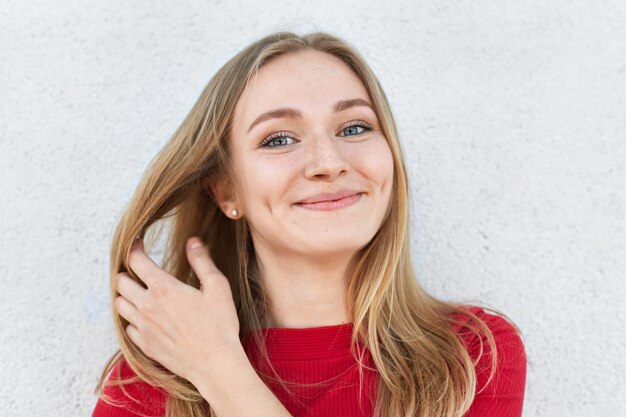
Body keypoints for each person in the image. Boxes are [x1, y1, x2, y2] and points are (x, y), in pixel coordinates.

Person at [91, 31, 527, 417]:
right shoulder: (152, 380)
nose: (329, 163)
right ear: (228, 192)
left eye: (354, 128)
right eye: (279, 138)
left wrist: (219, 370)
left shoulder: (472, 356)